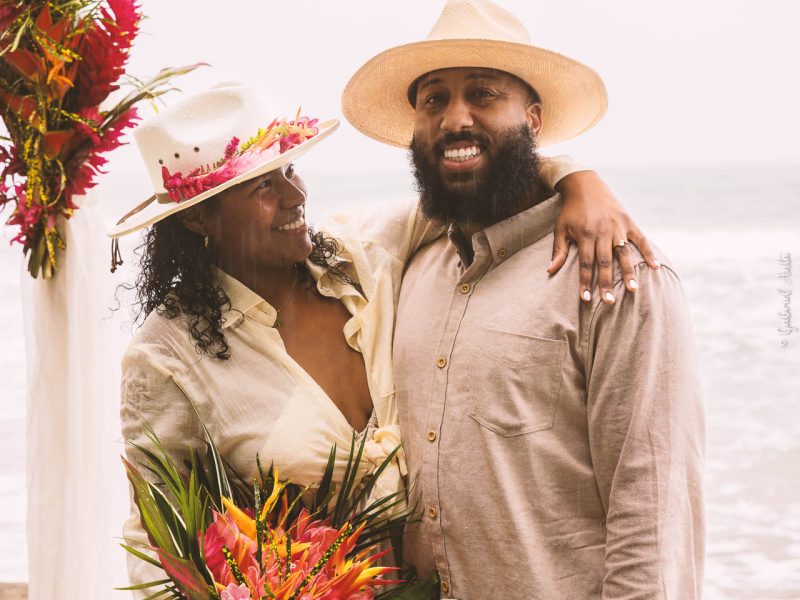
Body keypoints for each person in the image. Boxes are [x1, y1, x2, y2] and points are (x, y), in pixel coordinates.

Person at [112, 83, 655, 596]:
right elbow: (158, 546)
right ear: (200, 219)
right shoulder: (166, 359)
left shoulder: (364, 254)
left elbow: (472, 182)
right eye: (263, 187)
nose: (294, 195)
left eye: (291, 170)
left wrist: (578, 180)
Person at [341, 0, 705, 598]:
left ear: (533, 120)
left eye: (482, 94)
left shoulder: (613, 272)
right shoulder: (410, 265)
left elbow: (654, 518)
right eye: (434, 99)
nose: (455, 119)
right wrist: (573, 176)